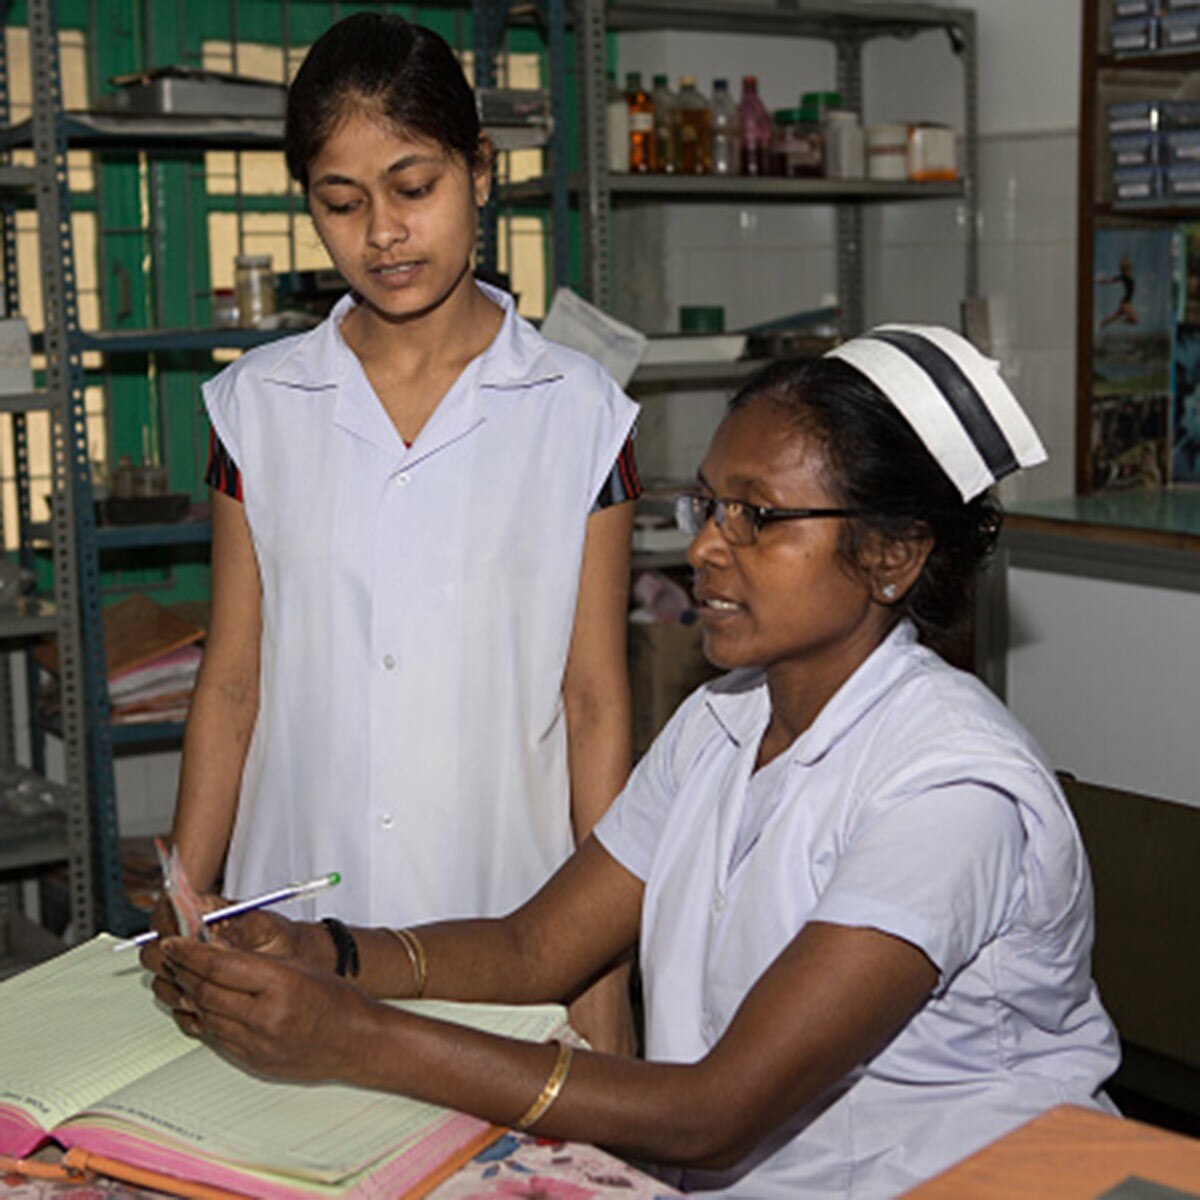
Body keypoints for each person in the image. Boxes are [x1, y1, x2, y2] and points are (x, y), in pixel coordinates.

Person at [146, 325, 1120, 1199]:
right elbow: (538, 948)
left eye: (758, 517)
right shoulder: (722, 726)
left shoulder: (947, 791)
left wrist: (352, 1038)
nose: (704, 548)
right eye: (708, 505)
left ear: (892, 556)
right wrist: (330, 955)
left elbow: (714, 1111)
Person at [168, 13, 639, 1050]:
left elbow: (596, 700)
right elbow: (233, 681)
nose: (381, 233)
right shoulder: (259, 406)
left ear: (479, 168)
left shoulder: (578, 410)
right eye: (342, 203)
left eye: (413, 189)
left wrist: (602, 976)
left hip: (505, 924)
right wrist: (188, 898)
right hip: (290, 926)